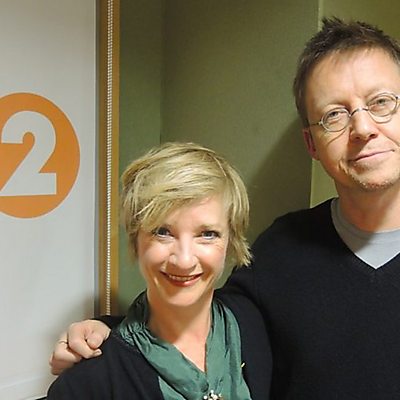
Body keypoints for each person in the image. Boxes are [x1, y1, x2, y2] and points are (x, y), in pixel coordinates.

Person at [50, 17, 400, 398]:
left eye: (381, 102)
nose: (363, 128)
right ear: (311, 143)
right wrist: (107, 336)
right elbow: (196, 312)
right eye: (334, 115)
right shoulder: (280, 253)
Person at [47, 142, 271, 399]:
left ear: (230, 240)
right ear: (135, 239)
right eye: (163, 232)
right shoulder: (89, 383)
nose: (184, 260)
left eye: (207, 234)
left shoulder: (253, 324)